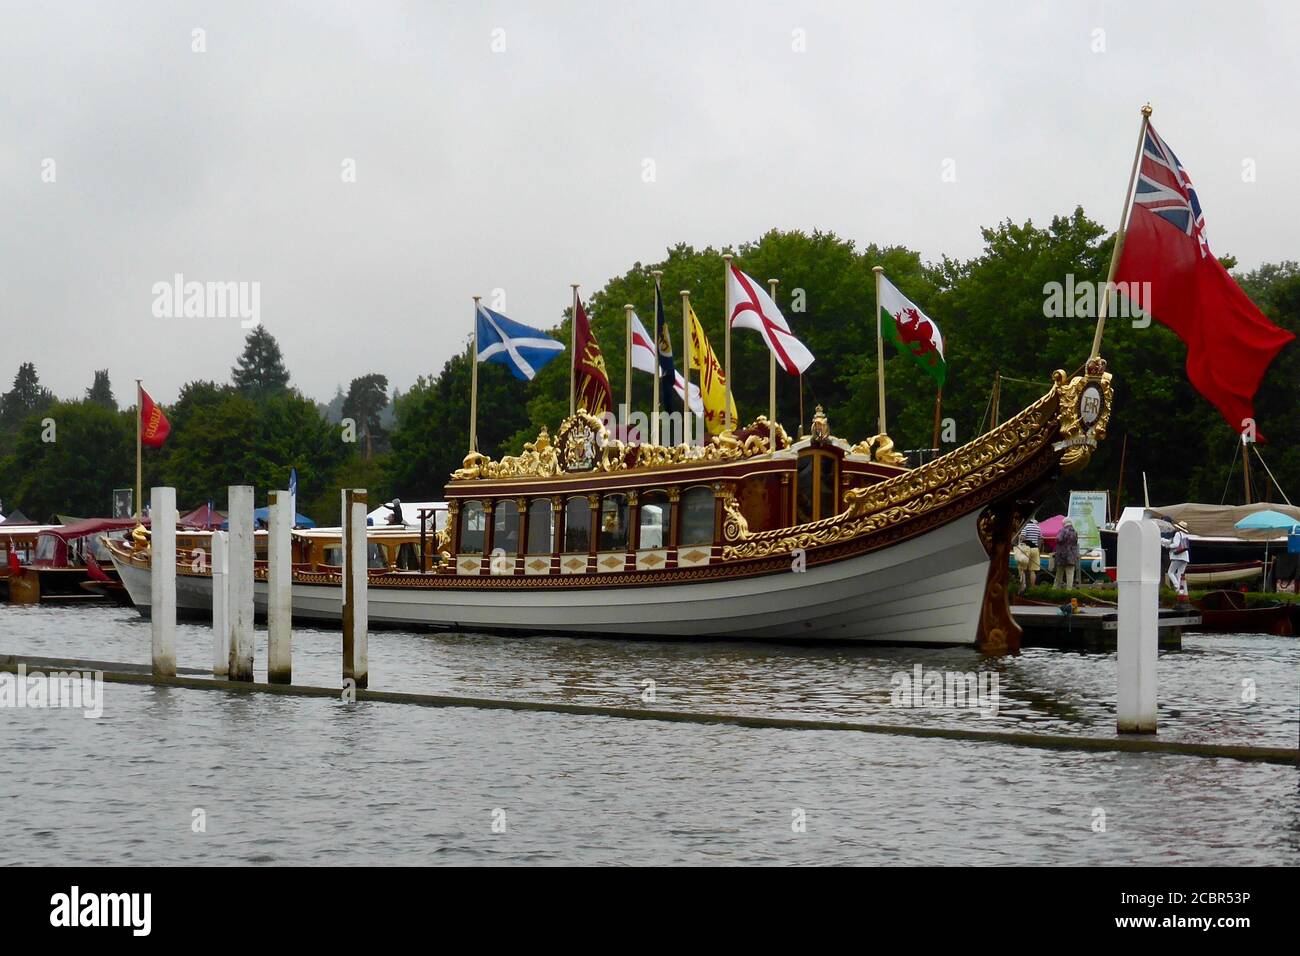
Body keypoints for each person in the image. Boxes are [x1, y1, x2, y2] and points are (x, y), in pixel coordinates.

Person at [1167, 520, 1191, 598]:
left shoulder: (1178, 534)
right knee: (1180, 574)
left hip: (1178, 556)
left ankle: (1177, 586)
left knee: (1170, 572)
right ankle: (1181, 590)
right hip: (1185, 557)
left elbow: (1176, 544)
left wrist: (1169, 546)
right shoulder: (1185, 535)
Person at [1053, 516, 1079, 589]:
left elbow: (1058, 539)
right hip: (1072, 556)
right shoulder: (1075, 531)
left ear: (1064, 523)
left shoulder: (1063, 530)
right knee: (1070, 573)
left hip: (1062, 555)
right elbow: (1076, 542)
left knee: (1059, 573)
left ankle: (1056, 589)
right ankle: (1069, 590)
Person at [1018, 516, 1041, 589]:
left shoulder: (1026, 527)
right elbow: (1040, 539)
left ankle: (1022, 586)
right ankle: (1032, 587)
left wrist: (1020, 539)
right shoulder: (1038, 528)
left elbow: (1023, 537)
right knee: (1032, 570)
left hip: (1026, 548)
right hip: (1035, 549)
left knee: (1022, 568)